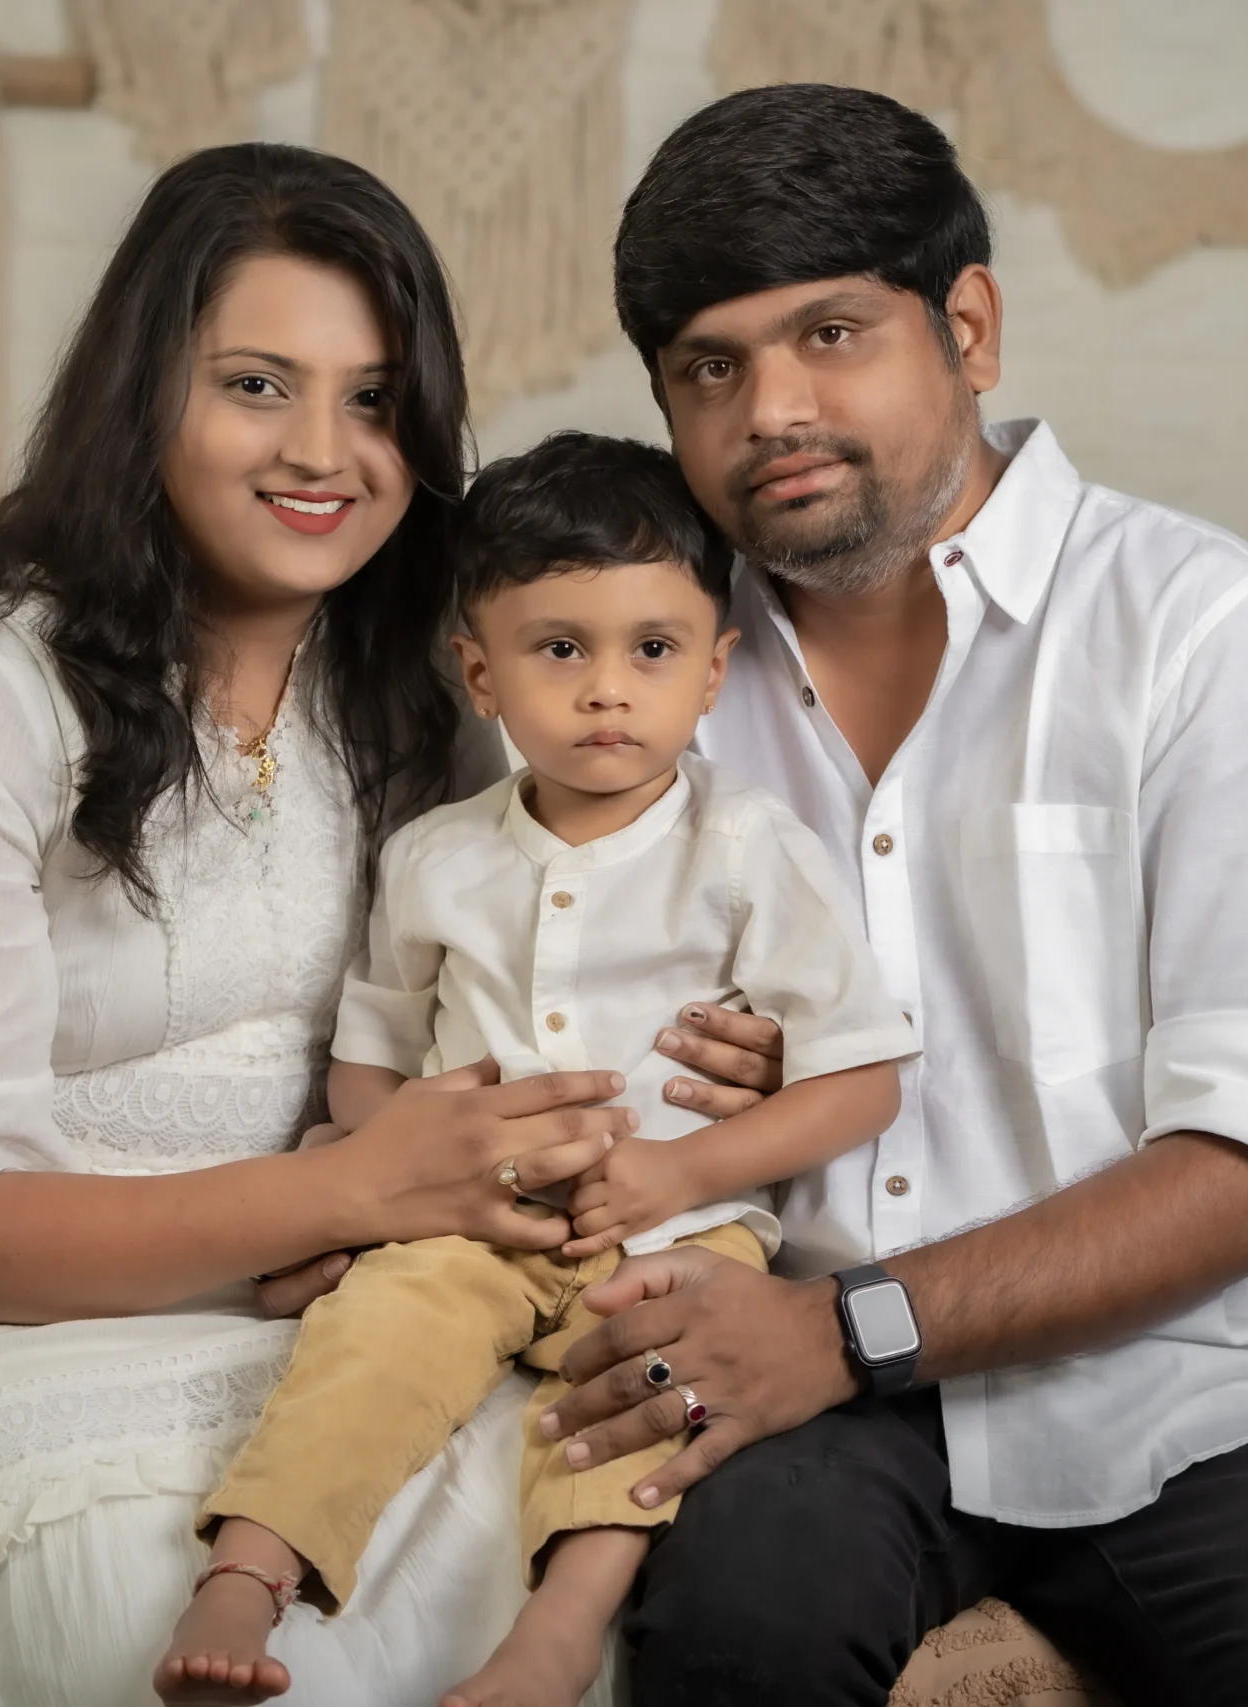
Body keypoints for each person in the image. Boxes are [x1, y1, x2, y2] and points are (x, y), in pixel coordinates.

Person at [0, 145, 645, 1706]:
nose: (323, 451)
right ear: (143, 393)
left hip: (287, 1313)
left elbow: (499, 1012)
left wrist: (722, 1040)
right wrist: (346, 1190)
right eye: (256, 385)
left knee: (543, 1529)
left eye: (375, 400)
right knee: (142, 1610)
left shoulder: (424, 699)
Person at [526, 84, 1248, 1706]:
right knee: (731, 1640)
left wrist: (846, 1328)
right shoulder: (640, 682)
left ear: (967, 326)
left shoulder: (1208, 633)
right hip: (808, 1412)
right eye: (711, 367)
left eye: (832, 335)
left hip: (1195, 1389)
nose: (772, 409)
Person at [157, 432, 916, 1707]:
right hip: (474, 1220)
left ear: (714, 671)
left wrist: (683, 1170)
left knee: (651, 1380)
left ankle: (558, 1631)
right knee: (374, 1336)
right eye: (560, 650)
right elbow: (370, 1064)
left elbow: (861, 1080)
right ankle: (250, 1568)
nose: (608, 690)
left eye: (652, 650)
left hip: (675, 1226)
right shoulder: (435, 859)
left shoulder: (749, 849)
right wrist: (411, 1179)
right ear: (481, 673)